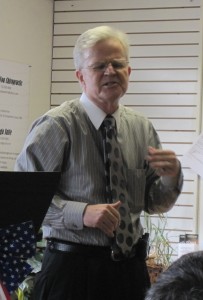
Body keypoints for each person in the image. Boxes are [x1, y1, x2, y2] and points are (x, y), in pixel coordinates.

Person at [14, 25, 183, 300]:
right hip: (71, 274)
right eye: (99, 65)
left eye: (118, 64)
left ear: (129, 72)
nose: (110, 71)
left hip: (130, 274)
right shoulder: (56, 126)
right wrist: (81, 213)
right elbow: (24, 203)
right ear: (80, 76)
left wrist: (171, 177)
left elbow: (155, 203)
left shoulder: (142, 128)